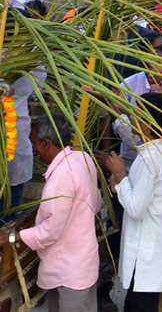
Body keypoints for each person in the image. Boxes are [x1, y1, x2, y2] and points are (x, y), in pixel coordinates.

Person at [101, 94, 162, 312]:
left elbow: (136, 208)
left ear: (147, 123)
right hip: (153, 247)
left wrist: (120, 174)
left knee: (140, 305)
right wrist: (120, 181)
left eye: (134, 115)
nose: (130, 119)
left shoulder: (149, 159)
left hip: (148, 249)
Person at [17, 114, 101, 312]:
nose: (34, 149)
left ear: (46, 143)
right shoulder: (83, 158)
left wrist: (14, 237)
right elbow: (95, 204)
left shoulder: (62, 177)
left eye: (35, 143)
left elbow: (51, 231)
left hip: (69, 270)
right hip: (82, 263)